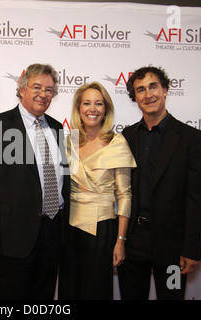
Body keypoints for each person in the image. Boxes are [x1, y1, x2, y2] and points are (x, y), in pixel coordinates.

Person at [0, 63, 70, 300]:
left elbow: (61, 178)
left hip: (51, 235)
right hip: (10, 238)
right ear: (22, 88)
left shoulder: (57, 128)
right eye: (37, 87)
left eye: (49, 90)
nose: (43, 94)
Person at [117, 66, 201, 300]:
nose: (148, 94)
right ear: (135, 98)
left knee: (173, 296)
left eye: (153, 86)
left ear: (165, 90)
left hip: (174, 250)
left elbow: (197, 198)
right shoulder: (126, 137)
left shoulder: (190, 138)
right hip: (133, 244)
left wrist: (191, 249)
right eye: (140, 90)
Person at [59, 82, 136, 300]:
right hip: (70, 229)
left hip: (102, 229)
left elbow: (124, 195)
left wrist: (121, 240)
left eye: (98, 103)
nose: (92, 109)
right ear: (78, 108)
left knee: (96, 291)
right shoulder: (69, 141)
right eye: (86, 103)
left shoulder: (116, 142)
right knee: (69, 291)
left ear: (106, 110)